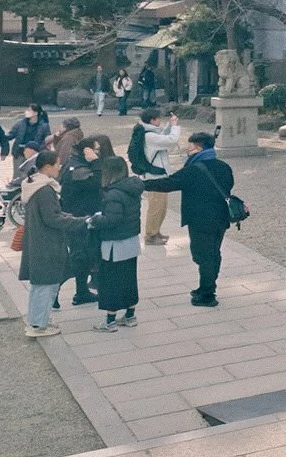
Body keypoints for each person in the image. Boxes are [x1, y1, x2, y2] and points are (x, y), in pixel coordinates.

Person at [141, 132, 234, 307]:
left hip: (200, 218)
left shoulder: (193, 170)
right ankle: (207, 286)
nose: (187, 150)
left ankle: (207, 294)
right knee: (213, 252)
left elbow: (168, 183)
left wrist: (142, 185)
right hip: (220, 216)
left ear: (198, 148)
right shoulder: (224, 167)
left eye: (190, 147)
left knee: (203, 255)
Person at [18, 151, 86, 338]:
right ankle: (39, 325)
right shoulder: (45, 190)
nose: (60, 167)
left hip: (37, 240)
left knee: (39, 285)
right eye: (57, 164)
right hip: (47, 242)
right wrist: (80, 222)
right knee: (47, 285)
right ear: (47, 166)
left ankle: (35, 320)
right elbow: (52, 219)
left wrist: (68, 217)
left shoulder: (32, 185)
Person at [88, 156, 142, 331]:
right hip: (131, 241)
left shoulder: (113, 194)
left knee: (110, 282)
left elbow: (112, 220)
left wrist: (95, 220)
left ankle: (110, 320)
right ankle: (130, 315)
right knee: (129, 279)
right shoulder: (132, 188)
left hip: (114, 244)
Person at [59, 136, 107, 305]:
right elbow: (97, 182)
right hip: (80, 220)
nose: (98, 153)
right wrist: (96, 162)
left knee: (84, 256)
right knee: (79, 258)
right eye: (96, 150)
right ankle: (59, 293)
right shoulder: (79, 168)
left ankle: (82, 291)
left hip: (79, 216)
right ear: (87, 150)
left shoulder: (73, 162)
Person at [132, 108, 183, 243]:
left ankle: (156, 231)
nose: (160, 120)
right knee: (156, 207)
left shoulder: (149, 132)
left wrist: (169, 125)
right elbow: (171, 140)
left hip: (157, 175)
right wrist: (175, 127)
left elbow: (163, 136)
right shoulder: (149, 136)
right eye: (158, 118)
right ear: (152, 120)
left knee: (161, 207)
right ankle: (150, 235)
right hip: (154, 177)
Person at [5, 105, 50, 176]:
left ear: (36, 113)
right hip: (19, 153)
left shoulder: (44, 126)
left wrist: (39, 149)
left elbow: (46, 140)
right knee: (17, 175)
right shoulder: (20, 123)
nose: (27, 112)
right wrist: (1, 135)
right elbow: (11, 135)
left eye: (29, 110)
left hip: (33, 154)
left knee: (32, 175)